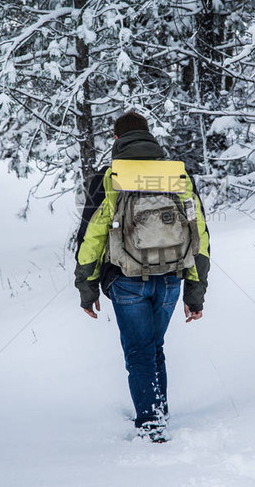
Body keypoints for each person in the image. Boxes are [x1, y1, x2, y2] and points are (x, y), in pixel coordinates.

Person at [74, 111, 210, 442]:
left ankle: (151, 424)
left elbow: (90, 238)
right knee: (153, 346)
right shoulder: (177, 175)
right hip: (171, 278)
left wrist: (87, 287)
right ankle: (157, 411)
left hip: (126, 279)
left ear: (117, 141)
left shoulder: (108, 177)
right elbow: (199, 235)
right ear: (150, 137)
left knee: (139, 352)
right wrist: (195, 292)